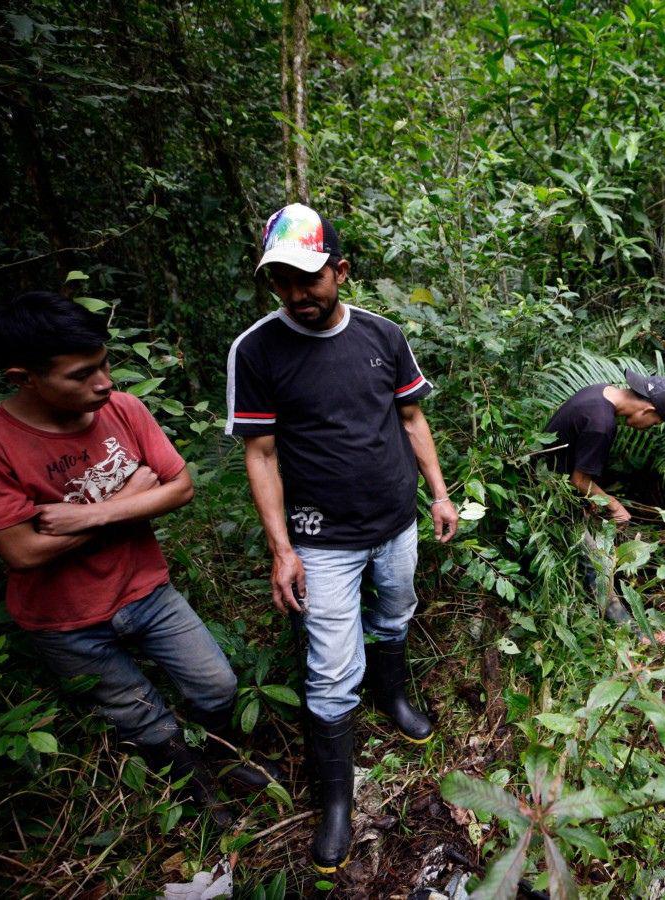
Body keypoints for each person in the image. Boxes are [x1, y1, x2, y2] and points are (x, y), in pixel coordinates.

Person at [0, 292, 277, 828]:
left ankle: (225, 758)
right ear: (24, 378)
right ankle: (197, 793)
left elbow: (180, 488)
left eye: (104, 364)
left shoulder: (123, 409)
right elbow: (23, 551)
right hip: (65, 620)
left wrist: (88, 515)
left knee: (217, 685)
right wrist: (132, 498)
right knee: (140, 715)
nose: (104, 383)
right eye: (81, 375)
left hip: (148, 590)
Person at [226, 202, 458, 873]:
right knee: (330, 669)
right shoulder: (257, 350)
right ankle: (335, 799)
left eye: (310, 278)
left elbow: (411, 418)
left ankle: (394, 696)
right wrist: (282, 551)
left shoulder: (383, 335)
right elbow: (261, 454)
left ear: (341, 271)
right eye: (283, 281)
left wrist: (439, 493)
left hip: (395, 519)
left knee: (397, 610)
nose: (298, 294)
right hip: (320, 537)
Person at [545, 369, 665, 620]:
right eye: (655, 423)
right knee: (597, 567)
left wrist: (590, 500)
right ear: (648, 410)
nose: (649, 428)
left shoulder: (599, 391)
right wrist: (614, 505)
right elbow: (579, 480)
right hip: (548, 496)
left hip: (549, 481)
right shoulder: (602, 425)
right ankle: (629, 630)